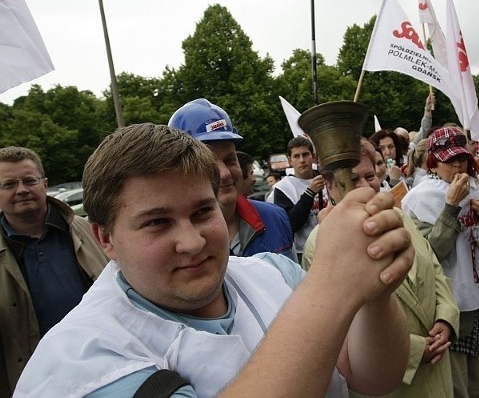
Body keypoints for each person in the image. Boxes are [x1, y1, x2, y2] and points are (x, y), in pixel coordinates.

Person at [14, 123, 415, 397]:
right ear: (105, 238)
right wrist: (331, 287)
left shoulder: (275, 273)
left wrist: (375, 291)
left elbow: (376, 378)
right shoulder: (80, 360)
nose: (191, 242)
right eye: (157, 222)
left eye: (203, 212)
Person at [303, 138, 459, 398]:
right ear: (330, 185)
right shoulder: (320, 244)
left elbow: (433, 266)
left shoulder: (398, 216)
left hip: (437, 367)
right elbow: (339, 327)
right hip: (392, 383)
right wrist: (417, 350)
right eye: (353, 179)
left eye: (370, 175)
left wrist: (446, 317)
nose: (366, 186)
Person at [402, 127, 479, 398]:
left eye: (461, 158)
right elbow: (429, 255)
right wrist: (450, 208)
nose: (456, 165)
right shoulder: (419, 198)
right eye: (448, 160)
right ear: (433, 161)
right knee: (456, 387)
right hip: (451, 307)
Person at [0, 147, 109, 396]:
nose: (21, 190)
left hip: (105, 369)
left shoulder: (88, 230)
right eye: (8, 184)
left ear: (44, 183)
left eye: (29, 180)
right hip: (36, 383)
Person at [169, 99, 295, 261]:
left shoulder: (274, 218)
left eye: (230, 160)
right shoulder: (170, 241)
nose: (225, 174)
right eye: (209, 164)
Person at [266, 136, 327, 260]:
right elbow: (290, 224)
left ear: (313, 156)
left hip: (331, 244)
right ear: (290, 160)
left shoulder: (326, 179)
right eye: (296, 156)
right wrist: (310, 193)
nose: (302, 160)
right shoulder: (283, 188)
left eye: (305, 155)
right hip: (303, 252)